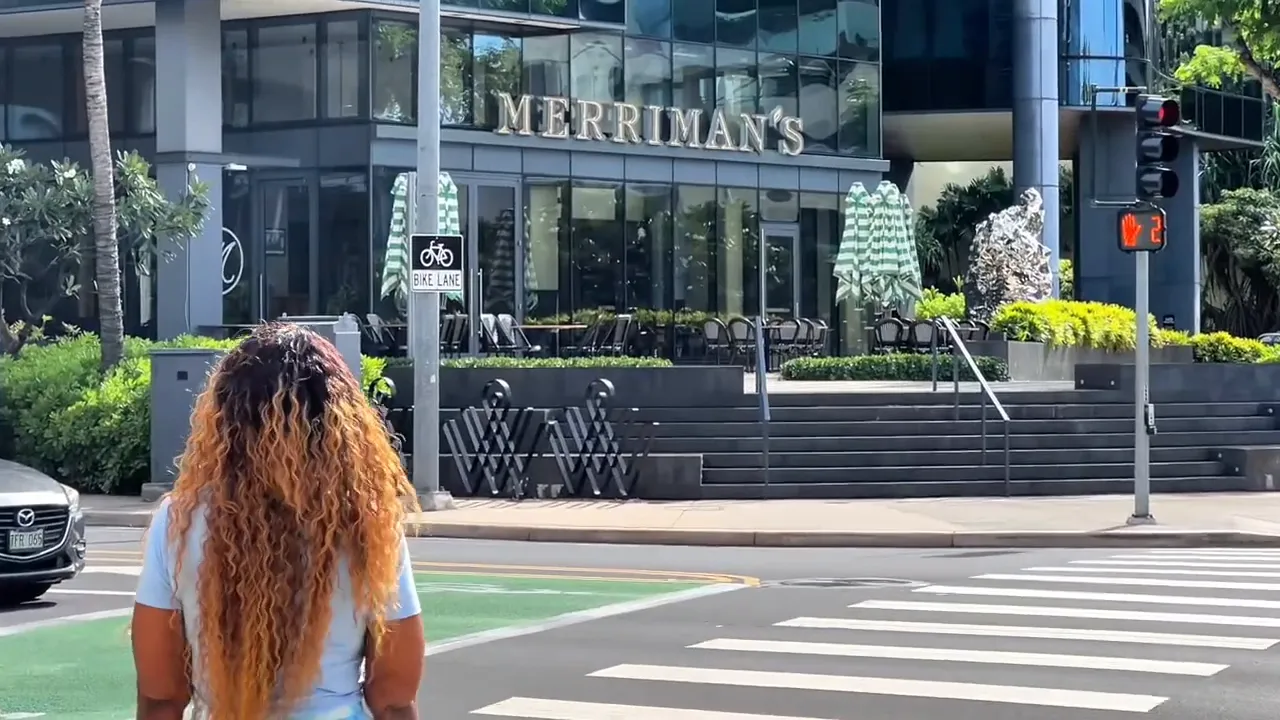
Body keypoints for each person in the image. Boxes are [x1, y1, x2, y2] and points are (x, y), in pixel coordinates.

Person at [130, 323, 425, 720]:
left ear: (226, 421)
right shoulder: (367, 522)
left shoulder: (179, 522)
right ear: (341, 423)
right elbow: (393, 695)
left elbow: (161, 694)